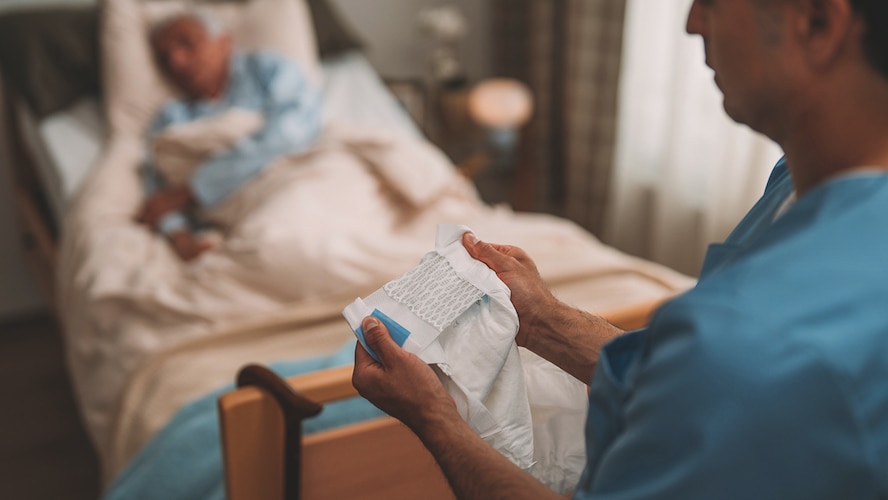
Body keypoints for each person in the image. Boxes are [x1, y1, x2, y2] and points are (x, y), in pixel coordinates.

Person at [352, 0, 888, 498]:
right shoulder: (795, 187)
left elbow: (718, 372)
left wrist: (435, 417)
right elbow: (683, 388)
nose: (691, 22)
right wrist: (540, 318)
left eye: (712, 1)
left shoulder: (745, 337)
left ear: (818, 25)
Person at [136, 11, 323, 261]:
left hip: (297, 180)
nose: (176, 61)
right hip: (230, 216)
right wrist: (181, 238)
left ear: (224, 42)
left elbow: (291, 130)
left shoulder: (268, 69)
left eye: (186, 43)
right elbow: (157, 193)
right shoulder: (171, 119)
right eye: (164, 57)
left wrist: (193, 189)